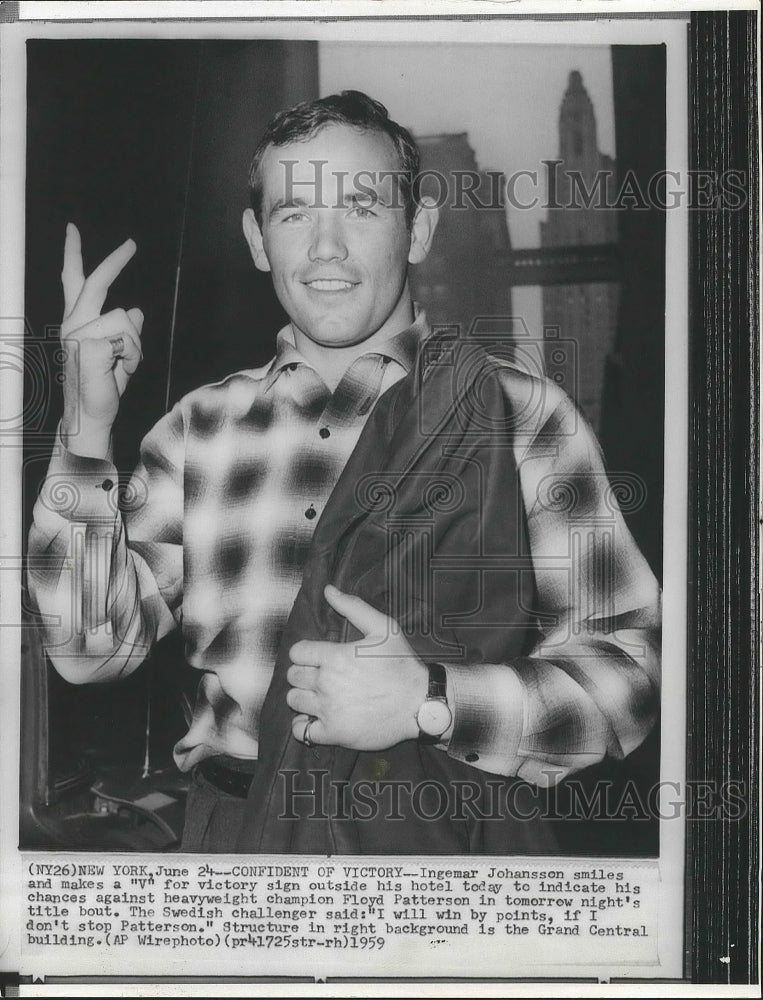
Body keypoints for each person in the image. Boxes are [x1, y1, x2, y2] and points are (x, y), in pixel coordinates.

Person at [28, 90, 661, 853]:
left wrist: (432, 700)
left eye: (360, 208)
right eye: (294, 214)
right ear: (257, 239)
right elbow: (91, 651)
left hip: (448, 843)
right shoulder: (195, 429)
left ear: (417, 229)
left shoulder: (518, 412)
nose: (325, 249)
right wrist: (86, 429)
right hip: (239, 842)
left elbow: (628, 675)